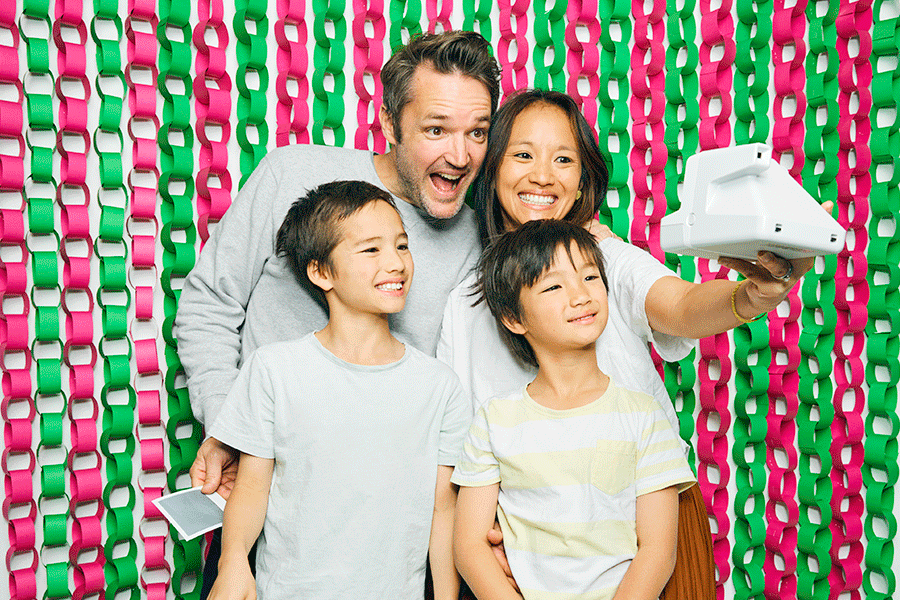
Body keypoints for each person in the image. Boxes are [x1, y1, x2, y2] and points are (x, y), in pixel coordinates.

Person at [438, 89, 829, 598]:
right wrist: (486, 545)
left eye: (564, 160)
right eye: (523, 155)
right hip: (533, 552)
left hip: (647, 525)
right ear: (491, 170)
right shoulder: (466, 304)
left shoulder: (606, 259)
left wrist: (751, 294)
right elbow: (457, 458)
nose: (543, 176)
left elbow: (681, 305)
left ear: (583, 182)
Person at [176, 30, 500, 499]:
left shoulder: (479, 239)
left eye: (477, 132)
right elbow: (209, 303)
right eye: (436, 130)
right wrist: (231, 427)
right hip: (263, 487)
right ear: (390, 124)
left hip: (385, 500)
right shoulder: (293, 173)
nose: (460, 156)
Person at [206, 180, 469, 600]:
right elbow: (252, 488)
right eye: (371, 250)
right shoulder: (274, 370)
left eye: (402, 246)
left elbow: (444, 508)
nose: (396, 263)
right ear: (321, 272)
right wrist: (233, 561)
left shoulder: (440, 387)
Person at [452, 219, 697, 600]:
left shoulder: (643, 415)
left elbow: (657, 551)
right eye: (554, 286)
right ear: (514, 318)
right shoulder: (495, 420)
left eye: (590, 277)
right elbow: (469, 547)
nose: (581, 295)